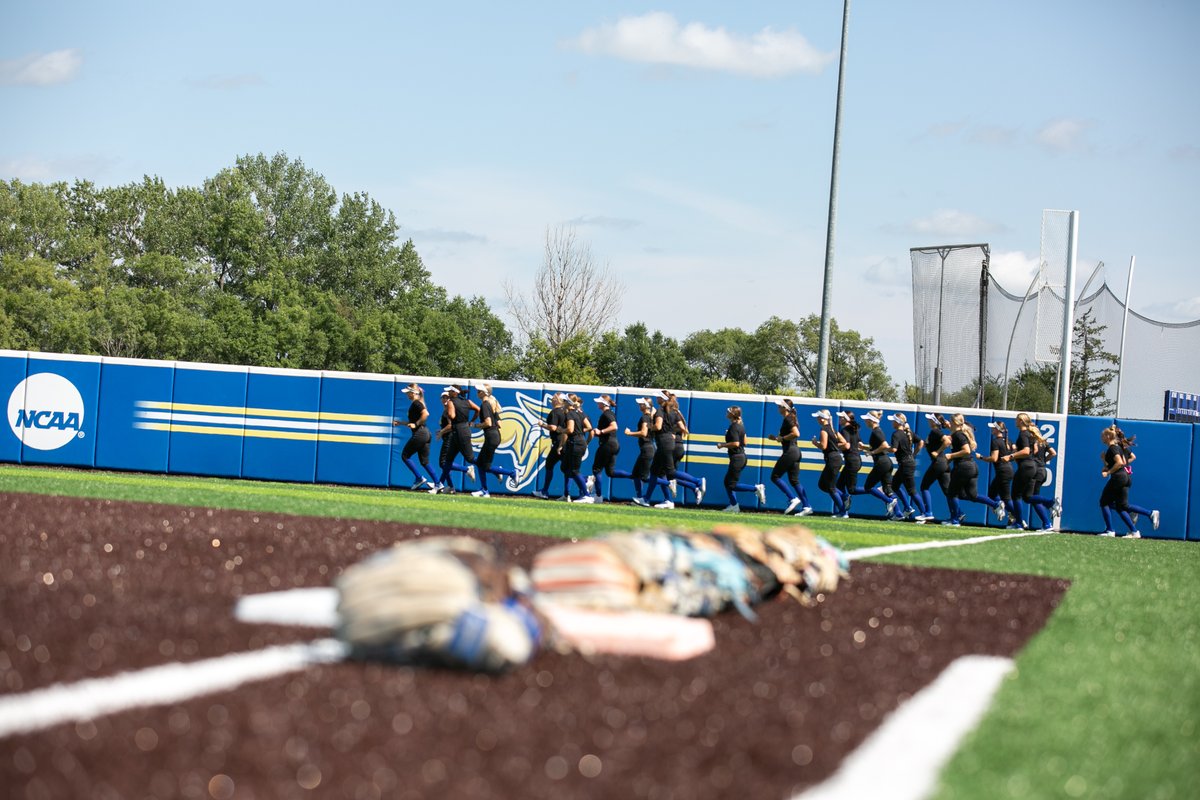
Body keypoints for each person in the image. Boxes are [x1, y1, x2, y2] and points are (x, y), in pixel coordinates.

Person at [943, 414, 1006, 526]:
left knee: (951, 493)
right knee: (972, 495)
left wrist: (950, 456)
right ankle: (995, 504)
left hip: (963, 467)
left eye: (950, 421)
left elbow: (966, 450)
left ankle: (955, 519)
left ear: (954, 422)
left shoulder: (959, 435)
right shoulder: (959, 434)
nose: (949, 423)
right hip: (972, 467)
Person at [469, 384, 522, 498]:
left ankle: (511, 473)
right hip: (494, 436)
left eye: (479, 391)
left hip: (491, 437)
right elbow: (499, 424)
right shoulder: (491, 405)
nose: (477, 392)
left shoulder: (485, 405)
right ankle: (484, 489)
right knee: (480, 464)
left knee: (485, 466)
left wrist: (475, 425)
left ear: (484, 393)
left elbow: (488, 423)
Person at [715, 405, 766, 512]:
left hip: (737, 458)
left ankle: (756, 488)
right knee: (728, 482)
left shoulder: (734, 426)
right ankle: (734, 505)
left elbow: (736, 443)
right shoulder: (740, 426)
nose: (726, 412)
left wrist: (722, 445)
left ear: (732, 414)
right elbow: (745, 442)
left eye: (728, 411)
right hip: (741, 457)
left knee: (731, 484)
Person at [1012, 413, 1058, 530]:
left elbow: (1031, 452)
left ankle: (1050, 504)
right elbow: (1053, 452)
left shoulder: (1032, 440)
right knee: (1032, 497)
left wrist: (1014, 453)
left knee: (1028, 497)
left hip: (1035, 470)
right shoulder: (1042, 441)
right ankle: (1047, 523)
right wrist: (1045, 461)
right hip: (1042, 470)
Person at [662, 391, 706, 505]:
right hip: (676, 446)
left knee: (663, 473)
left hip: (674, 446)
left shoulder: (673, 413)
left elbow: (684, 430)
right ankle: (694, 488)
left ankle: (697, 481)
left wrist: (670, 432)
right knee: (670, 475)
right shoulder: (673, 413)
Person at [434, 385, 479, 494]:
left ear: (454, 392)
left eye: (449, 392)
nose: (447, 395)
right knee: (447, 461)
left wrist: (442, 431)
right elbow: (478, 409)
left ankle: (496, 469)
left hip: (458, 432)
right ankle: (440, 485)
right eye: (445, 395)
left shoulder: (451, 403)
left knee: (471, 459)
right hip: (459, 432)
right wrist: (470, 421)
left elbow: (452, 416)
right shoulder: (466, 401)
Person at [767, 399, 808, 515]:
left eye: (780, 406)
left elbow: (796, 434)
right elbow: (786, 437)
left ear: (785, 408)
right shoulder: (789, 418)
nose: (778, 408)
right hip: (795, 451)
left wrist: (783, 438)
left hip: (791, 452)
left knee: (775, 476)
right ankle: (807, 506)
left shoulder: (788, 418)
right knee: (794, 480)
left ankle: (792, 498)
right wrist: (775, 438)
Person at [396, 384, 441, 490]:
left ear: (413, 393)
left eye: (408, 392)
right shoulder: (416, 403)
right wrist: (401, 423)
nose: (407, 394)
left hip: (420, 433)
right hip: (425, 433)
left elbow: (426, 414)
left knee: (405, 456)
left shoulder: (416, 403)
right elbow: (412, 421)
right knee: (425, 462)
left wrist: (415, 424)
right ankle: (438, 484)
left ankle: (419, 478)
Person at [857, 410, 901, 519]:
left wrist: (871, 452)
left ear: (871, 421)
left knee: (868, 486)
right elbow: (877, 446)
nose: (865, 421)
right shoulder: (876, 431)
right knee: (887, 489)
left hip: (882, 462)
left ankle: (889, 501)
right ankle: (898, 514)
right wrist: (865, 448)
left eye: (867, 420)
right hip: (886, 462)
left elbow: (885, 445)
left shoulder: (876, 431)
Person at [639, 392, 679, 509]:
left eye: (658, 397)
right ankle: (650, 499)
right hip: (667, 442)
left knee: (669, 472)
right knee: (656, 472)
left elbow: (658, 426)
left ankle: (696, 483)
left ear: (662, 399)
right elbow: (681, 426)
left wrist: (650, 426)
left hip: (663, 443)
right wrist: (672, 433)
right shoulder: (671, 411)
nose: (656, 398)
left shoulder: (661, 411)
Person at [1098, 426, 1140, 537]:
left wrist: (1108, 472)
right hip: (1124, 476)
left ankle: (1110, 530)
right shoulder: (1117, 447)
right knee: (1120, 506)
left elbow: (1119, 463)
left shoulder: (1113, 448)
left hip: (1118, 477)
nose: (1101, 437)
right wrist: (1104, 462)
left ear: (1108, 436)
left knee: (1104, 502)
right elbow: (1119, 463)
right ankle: (1134, 531)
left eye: (1103, 435)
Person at [888, 413, 927, 521]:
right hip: (907, 463)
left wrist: (884, 449)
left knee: (912, 490)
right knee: (894, 486)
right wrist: (913, 454)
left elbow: (894, 449)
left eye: (893, 421)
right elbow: (921, 442)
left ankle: (924, 513)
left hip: (906, 465)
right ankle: (907, 507)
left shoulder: (896, 434)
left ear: (897, 422)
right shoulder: (908, 433)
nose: (892, 422)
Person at [977, 420, 1017, 527]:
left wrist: (981, 457)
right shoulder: (1008, 441)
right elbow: (1015, 450)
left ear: (997, 430)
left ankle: (1018, 517)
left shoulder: (996, 441)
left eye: (993, 428)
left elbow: (994, 458)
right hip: (1007, 470)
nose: (992, 429)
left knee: (1006, 498)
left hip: (1003, 471)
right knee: (992, 494)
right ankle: (1002, 507)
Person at [586, 395, 625, 502]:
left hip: (608, 444)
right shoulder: (608, 413)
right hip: (613, 444)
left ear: (604, 404)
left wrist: (601, 431)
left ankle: (598, 496)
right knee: (610, 472)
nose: (597, 404)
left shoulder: (607, 414)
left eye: (599, 402)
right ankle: (634, 476)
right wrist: (598, 432)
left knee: (596, 469)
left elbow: (614, 426)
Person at [812, 408, 847, 518]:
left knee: (831, 487)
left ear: (822, 419)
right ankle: (844, 496)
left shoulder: (824, 430)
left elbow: (823, 446)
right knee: (822, 485)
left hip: (833, 459)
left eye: (818, 417)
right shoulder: (833, 430)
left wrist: (815, 443)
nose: (817, 419)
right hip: (835, 458)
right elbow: (844, 443)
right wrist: (835, 447)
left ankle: (843, 512)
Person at [626, 397, 661, 506]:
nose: (639, 405)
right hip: (646, 448)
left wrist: (630, 433)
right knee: (635, 475)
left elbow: (643, 433)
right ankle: (640, 498)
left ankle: (668, 483)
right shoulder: (648, 417)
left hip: (647, 449)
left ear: (645, 406)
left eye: (641, 404)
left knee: (644, 478)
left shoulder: (645, 417)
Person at [560, 394, 594, 502]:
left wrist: (560, 430)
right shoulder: (579, 413)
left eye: (564, 401)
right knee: (566, 468)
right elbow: (589, 427)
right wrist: (579, 432)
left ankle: (586, 495)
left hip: (576, 443)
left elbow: (569, 430)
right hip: (578, 442)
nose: (562, 402)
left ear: (568, 403)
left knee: (574, 470)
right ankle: (584, 481)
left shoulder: (570, 414)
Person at [533, 393, 568, 499]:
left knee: (549, 465)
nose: (552, 400)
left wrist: (542, 424)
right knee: (567, 469)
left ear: (558, 400)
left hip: (558, 442)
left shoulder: (555, 412)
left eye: (554, 398)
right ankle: (581, 483)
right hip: (566, 441)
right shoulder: (566, 412)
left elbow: (553, 427)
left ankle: (544, 491)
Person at [918, 413, 952, 522]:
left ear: (934, 421)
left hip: (938, 462)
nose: (928, 421)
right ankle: (957, 514)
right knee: (948, 491)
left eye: (930, 419)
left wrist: (937, 452)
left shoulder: (935, 431)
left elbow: (947, 442)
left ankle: (928, 513)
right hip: (943, 463)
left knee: (924, 486)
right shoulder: (936, 432)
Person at [835, 411, 864, 513]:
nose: (839, 419)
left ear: (846, 419)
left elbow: (846, 445)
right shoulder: (854, 429)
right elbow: (860, 445)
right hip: (855, 460)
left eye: (841, 418)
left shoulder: (845, 430)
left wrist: (834, 445)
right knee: (839, 485)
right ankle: (843, 512)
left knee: (852, 490)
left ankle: (877, 492)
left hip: (852, 462)